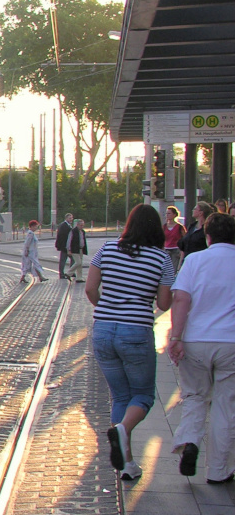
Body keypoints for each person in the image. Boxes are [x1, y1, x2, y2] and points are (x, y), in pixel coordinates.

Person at [86, 204, 175, 481]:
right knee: (144, 396)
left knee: (121, 396)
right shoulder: (161, 260)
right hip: (136, 331)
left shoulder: (107, 250)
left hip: (102, 330)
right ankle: (122, 431)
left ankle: (127, 464)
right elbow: (163, 303)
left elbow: (90, 288)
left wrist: (108, 309)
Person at [165, 212, 235, 482]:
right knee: (225, 404)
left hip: (196, 340)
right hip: (230, 343)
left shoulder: (195, 260)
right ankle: (219, 470)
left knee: (194, 396)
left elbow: (181, 299)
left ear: (207, 237)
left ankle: (191, 440)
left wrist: (176, 337)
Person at [20, 219, 46, 283]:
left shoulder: (31, 233)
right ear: (32, 226)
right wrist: (27, 251)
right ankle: (23, 278)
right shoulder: (30, 233)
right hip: (30, 253)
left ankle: (40, 277)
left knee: (34, 264)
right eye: (35, 226)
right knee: (28, 265)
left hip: (32, 252)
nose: (36, 228)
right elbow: (27, 243)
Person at [163, 205, 184, 272]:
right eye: (166, 213)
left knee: (173, 269)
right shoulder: (164, 227)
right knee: (166, 269)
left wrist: (181, 251)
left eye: (169, 213)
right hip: (166, 249)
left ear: (174, 215)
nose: (167, 215)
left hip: (176, 250)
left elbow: (184, 239)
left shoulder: (179, 227)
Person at [55, 212, 75, 280]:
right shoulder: (63, 225)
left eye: (72, 218)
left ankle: (70, 272)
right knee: (63, 260)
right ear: (66, 218)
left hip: (67, 246)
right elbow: (61, 237)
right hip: (65, 246)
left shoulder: (68, 225)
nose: (71, 219)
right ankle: (62, 274)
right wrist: (62, 246)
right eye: (70, 218)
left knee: (72, 259)